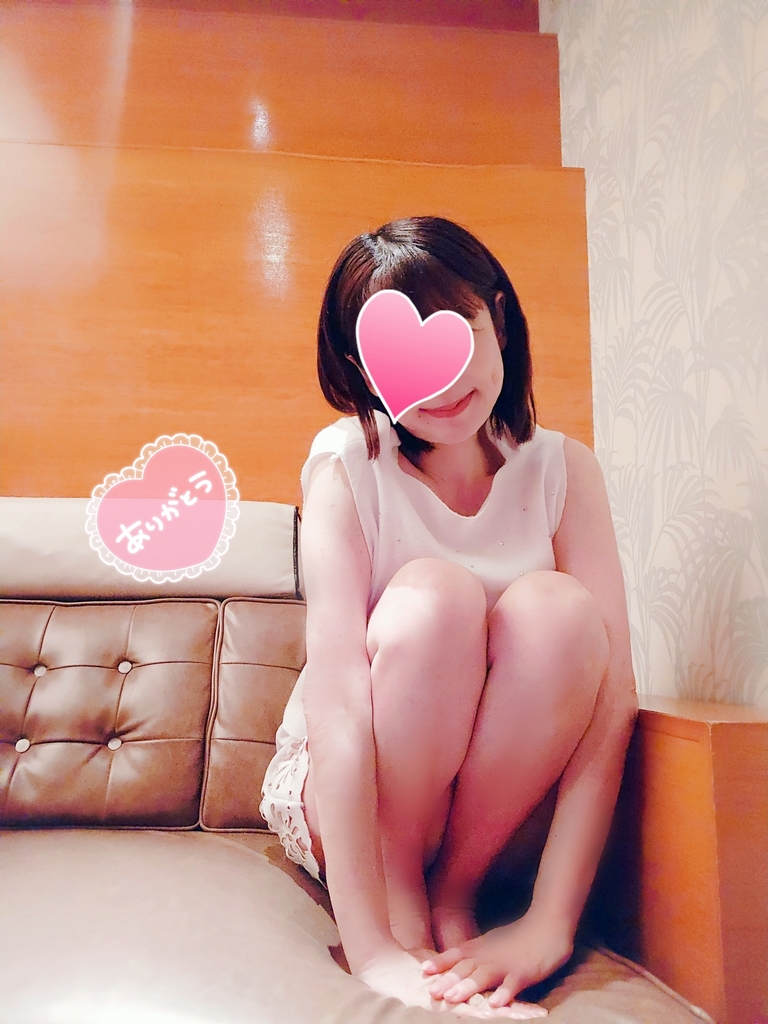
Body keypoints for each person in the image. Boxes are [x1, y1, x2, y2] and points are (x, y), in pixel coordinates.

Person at [260, 216, 638, 1017]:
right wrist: (371, 947)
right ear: (360, 369)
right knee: (436, 598)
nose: (440, 382)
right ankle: (404, 896)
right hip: (357, 803)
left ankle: (454, 894)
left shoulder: (562, 469)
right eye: (399, 357)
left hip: (497, 818)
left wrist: (549, 921)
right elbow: (337, 701)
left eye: (457, 330)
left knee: (563, 615)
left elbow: (611, 707)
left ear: (497, 318)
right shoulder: (346, 465)